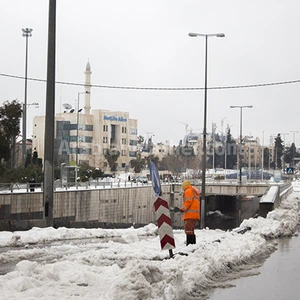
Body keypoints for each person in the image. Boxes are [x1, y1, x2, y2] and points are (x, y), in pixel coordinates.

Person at [179, 180, 200, 246]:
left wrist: (183, 209)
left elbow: (188, 202)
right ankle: (193, 244)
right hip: (195, 215)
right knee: (191, 229)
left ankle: (189, 243)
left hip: (190, 215)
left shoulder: (188, 191)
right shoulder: (193, 191)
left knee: (188, 229)